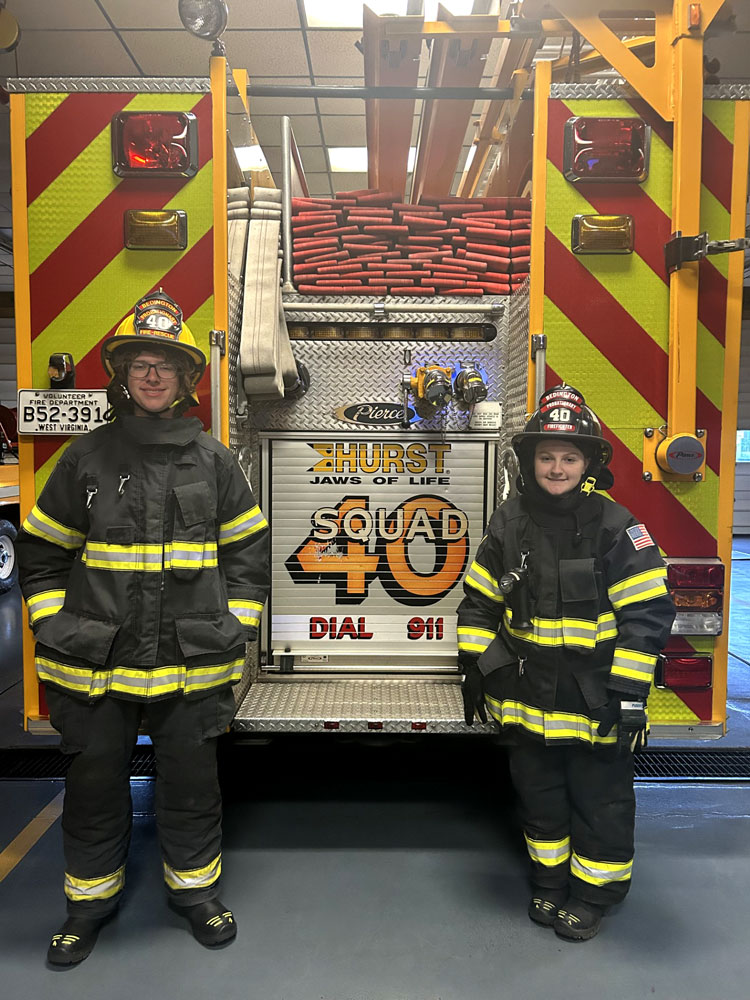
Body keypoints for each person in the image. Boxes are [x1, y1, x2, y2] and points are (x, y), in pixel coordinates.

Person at [16, 291, 270, 965]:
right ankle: (87, 907)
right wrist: (52, 623)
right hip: (94, 663)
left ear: (187, 380)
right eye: (140, 363)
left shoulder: (215, 461)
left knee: (192, 785)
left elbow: (249, 554)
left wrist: (235, 627)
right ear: (122, 376)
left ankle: (196, 896)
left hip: (193, 663)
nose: (153, 375)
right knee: (95, 787)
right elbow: (40, 554)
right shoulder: (85, 459)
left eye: (166, 365)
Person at [457, 384, 675, 941]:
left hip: (594, 701)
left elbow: (647, 617)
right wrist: (478, 668)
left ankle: (592, 897)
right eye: (546, 456)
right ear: (530, 461)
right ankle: (550, 886)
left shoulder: (616, 527)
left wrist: (628, 698)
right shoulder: (509, 523)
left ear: (589, 463)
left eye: (569, 456)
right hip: (527, 700)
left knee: (601, 805)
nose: (557, 467)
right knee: (540, 800)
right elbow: (479, 604)